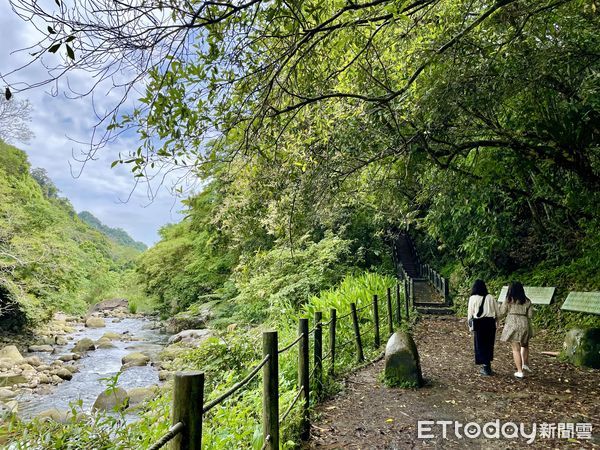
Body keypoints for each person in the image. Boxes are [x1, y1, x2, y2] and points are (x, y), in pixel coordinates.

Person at [500, 281, 534, 379]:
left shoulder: (508, 300)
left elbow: (502, 312)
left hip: (512, 324)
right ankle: (525, 364)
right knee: (525, 344)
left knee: (516, 349)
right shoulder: (527, 301)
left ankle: (519, 371)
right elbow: (531, 315)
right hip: (524, 323)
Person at [467, 279, 499, 376]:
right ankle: (487, 365)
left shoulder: (472, 298)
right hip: (490, 322)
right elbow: (498, 312)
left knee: (480, 344)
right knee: (489, 344)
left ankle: (485, 367)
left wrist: (470, 327)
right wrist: (497, 322)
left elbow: (470, 314)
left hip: (479, 323)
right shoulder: (490, 297)